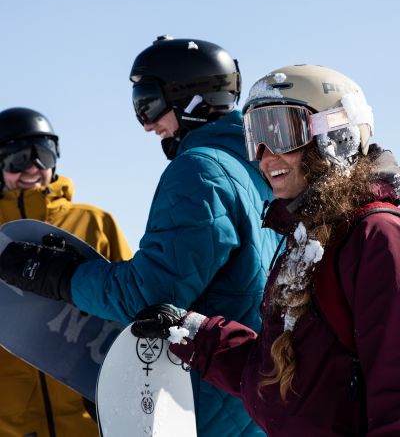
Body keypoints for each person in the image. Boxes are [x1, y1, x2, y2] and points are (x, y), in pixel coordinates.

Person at [0, 37, 282, 436]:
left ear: (189, 99)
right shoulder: (264, 168)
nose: (147, 124)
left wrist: (60, 276)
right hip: (257, 398)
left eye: (147, 102)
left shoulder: (199, 171)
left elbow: (149, 295)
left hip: (206, 404)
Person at [130, 65, 400, 436]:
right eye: (254, 136)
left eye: (281, 132)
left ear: (336, 135)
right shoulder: (309, 240)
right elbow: (281, 380)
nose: (264, 155)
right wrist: (196, 333)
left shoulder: (375, 235)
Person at [0, 107, 132, 437]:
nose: (33, 167)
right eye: (18, 157)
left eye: (43, 155)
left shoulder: (94, 222)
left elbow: (133, 304)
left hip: (87, 415)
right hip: (13, 421)